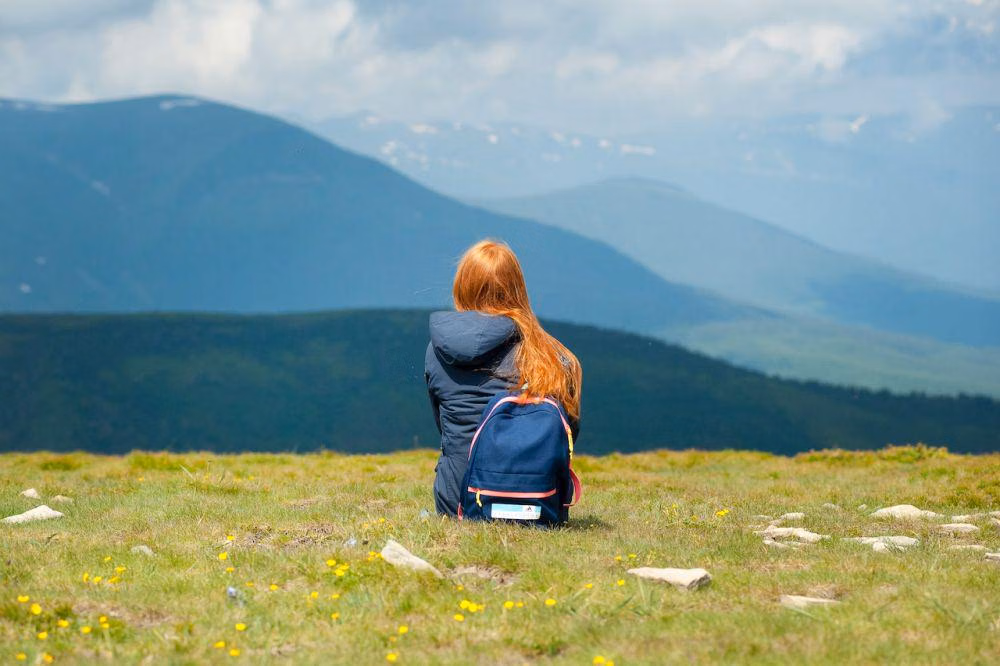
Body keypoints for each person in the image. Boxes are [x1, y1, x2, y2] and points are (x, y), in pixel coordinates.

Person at [424, 239, 582, 517]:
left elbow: (445, 430)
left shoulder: (438, 350)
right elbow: (567, 434)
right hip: (535, 502)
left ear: (463, 286)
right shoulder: (549, 354)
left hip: (457, 502)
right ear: (517, 288)